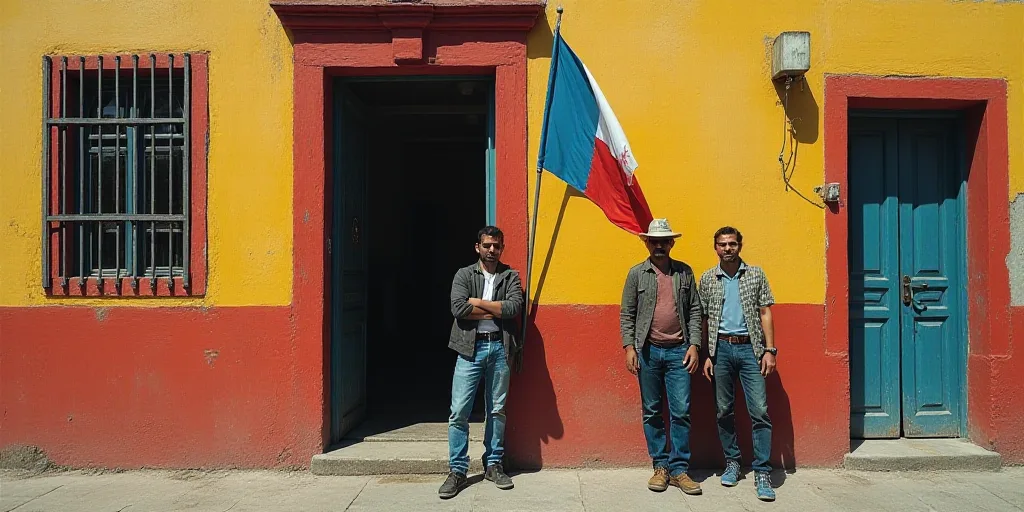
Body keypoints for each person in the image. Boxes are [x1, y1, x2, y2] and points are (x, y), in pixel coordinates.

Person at [438, 226, 524, 500]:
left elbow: (513, 308)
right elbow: (458, 309)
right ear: (478, 247)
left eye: (496, 246)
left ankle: (493, 464)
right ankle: (458, 470)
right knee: (459, 412)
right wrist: (494, 308)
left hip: (500, 347)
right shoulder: (464, 274)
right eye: (487, 245)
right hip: (469, 349)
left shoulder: (510, 276)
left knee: (497, 410)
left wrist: (477, 303)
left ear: (502, 248)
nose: (491, 250)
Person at [620, 218, 704, 496]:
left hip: (680, 351)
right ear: (647, 243)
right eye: (654, 241)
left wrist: (694, 345)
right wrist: (629, 348)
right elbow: (627, 313)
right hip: (648, 351)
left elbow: (694, 310)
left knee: (681, 412)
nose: (659, 246)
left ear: (671, 243)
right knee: (652, 411)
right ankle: (660, 466)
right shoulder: (637, 274)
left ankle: (679, 470)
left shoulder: (684, 272)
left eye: (663, 241)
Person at [699, 226, 778, 502]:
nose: (727, 249)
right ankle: (732, 462)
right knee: (723, 410)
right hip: (720, 349)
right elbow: (704, 318)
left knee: (760, 411)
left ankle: (762, 471)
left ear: (740, 246)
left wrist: (770, 350)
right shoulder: (707, 278)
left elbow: (765, 311)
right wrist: (706, 354)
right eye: (722, 244)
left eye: (732, 244)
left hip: (750, 350)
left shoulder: (755, 274)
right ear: (716, 248)